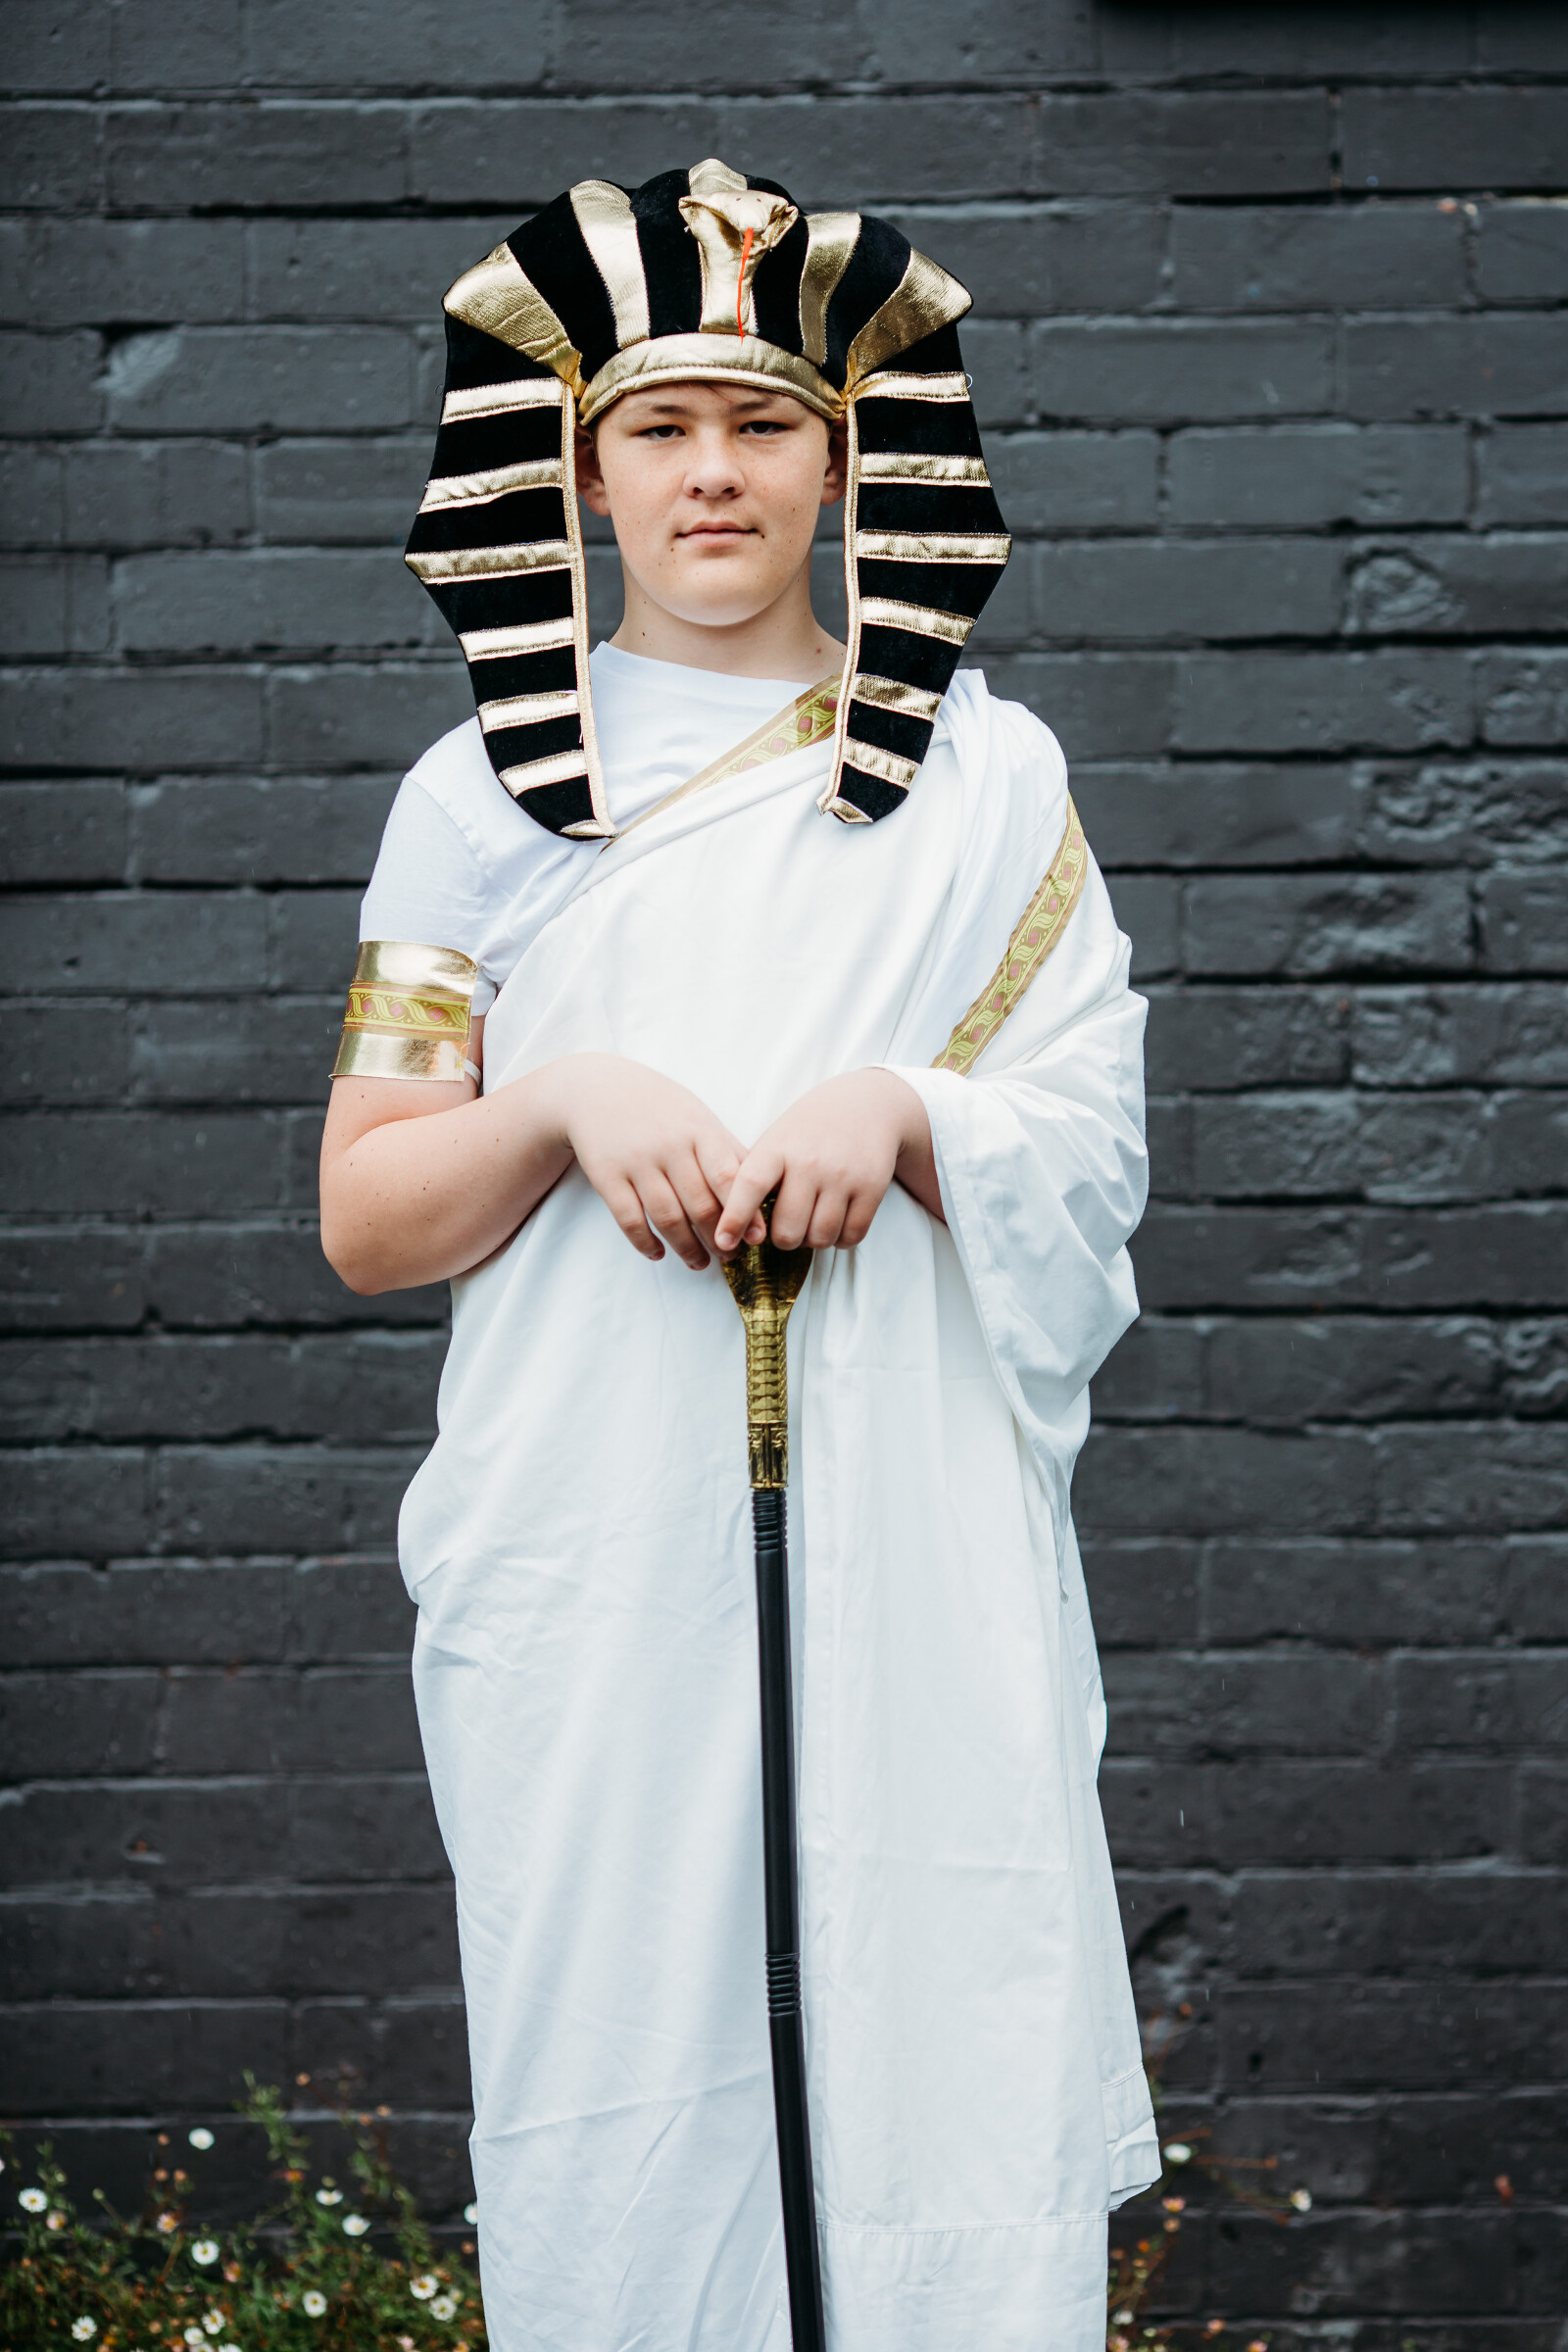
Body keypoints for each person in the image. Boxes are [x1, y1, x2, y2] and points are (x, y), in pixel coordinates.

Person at [319, 158, 1158, 2352]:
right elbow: (369, 1211)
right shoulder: (480, 797)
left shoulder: (989, 780)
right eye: (662, 427)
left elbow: (1092, 1156)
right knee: (631, 2089)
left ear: (847, 461)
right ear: (581, 470)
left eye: (766, 422)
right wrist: (564, 1102)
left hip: (910, 1555)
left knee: (927, 2044)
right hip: (593, 1561)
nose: (714, 471)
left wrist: (909, 1116)